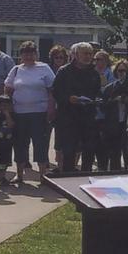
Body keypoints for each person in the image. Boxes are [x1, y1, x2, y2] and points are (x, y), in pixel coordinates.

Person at [4, 41, 56, 182]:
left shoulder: (44, 68)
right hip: (19, 113)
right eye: (25, 53)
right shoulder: (16, 70)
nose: (28, 56)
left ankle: (43, 175)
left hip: (40, 112)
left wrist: (51, 109)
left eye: (31, 53)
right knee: (20, 144)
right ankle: (19, 175)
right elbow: (7, 91)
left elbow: (52, 91)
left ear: (36, 54)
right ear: (21, 55)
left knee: (40, 144)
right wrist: (8, 113)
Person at [51, 42, 101, 173]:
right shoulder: (64, 71)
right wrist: (69, 98)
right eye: (85, 53)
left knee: (89, 151)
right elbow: (56, 92)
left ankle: (86, 176)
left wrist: (96, 100)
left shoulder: (94, 74)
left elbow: (97, 93)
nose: (88, 56)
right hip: (69, 118)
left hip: (88, 117)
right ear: (76, 55)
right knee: (69, 152)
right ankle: (68, 178)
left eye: (90, 54)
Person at [100, 59, 128, 170]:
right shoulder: (110, 88)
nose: (122, 73)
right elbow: (102, 106)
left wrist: (126, 100)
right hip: (113, 125)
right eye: (119, 71)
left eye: (124, 71)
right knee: (114, 154)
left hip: (127, 124)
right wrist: (114, 100)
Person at [92, 50, 115, 170]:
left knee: (104, 141)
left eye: (99, 59)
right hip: (93, 113)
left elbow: (110, 91)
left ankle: (103, 166)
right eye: (95, 59)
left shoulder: (109, 74)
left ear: (106, 61)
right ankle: (99, 164)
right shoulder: (92, 72)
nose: (96, 62)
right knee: (94, 141)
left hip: (105, 114)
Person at [0, 94, 17, 187]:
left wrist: (7, 114)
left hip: (8, 141)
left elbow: (11, 125)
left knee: (6, 160)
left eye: (7, 105)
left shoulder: (11, 115)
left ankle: (3, 176)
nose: (5, 107)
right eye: (2, 105)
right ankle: (0, 177)